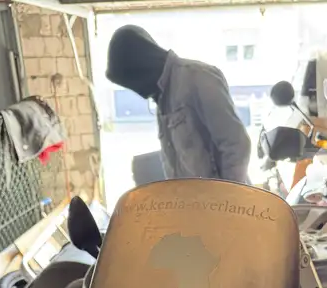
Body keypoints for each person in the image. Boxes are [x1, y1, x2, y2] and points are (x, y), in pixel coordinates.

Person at [106, 25, 251, 184]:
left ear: (142, 65)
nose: (138, 90)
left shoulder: (198, 78)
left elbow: (236, 144)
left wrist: (228, 197)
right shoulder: (162, 95)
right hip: (190, 197)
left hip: (221, 197)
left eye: (132, 80)